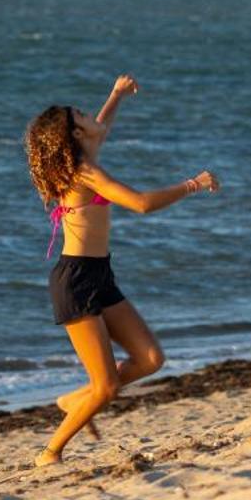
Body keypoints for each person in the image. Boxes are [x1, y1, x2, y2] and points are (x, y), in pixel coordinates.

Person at [22, 74, 219, 466]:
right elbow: (141, 203)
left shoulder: (83, 158)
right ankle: (50, 452)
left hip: (98, 275)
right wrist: (192, 185)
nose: (90, 116)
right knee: (107, 385)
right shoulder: (83, 172)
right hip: (76, 282)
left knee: (149, 359)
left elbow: (100, 128)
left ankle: (76, 399)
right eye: (81, 115)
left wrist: (116, 95)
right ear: (75, 135)